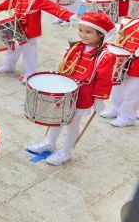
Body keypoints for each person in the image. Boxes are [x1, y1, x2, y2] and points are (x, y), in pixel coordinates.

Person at [26, 12, 114, 165]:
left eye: (88, 32)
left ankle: (66, 152)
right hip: (65, 91)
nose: (83, 35)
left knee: (72, 123)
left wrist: (99, 99)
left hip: (83, 95)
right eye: (80, 30)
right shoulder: (76, 46)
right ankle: (50, 142)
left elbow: (104, 80)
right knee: (57, 118)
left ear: (100, 34)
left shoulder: (105, 55)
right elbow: (65, 66)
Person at [0, 0, 76, 82]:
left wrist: (69, 15)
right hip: (16, 28)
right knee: (12, 48)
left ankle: (29, 72)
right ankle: (9, 65)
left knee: (29, 53)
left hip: (30, 31)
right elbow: (6, 4)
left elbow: (53, 8)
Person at [101, 18, 139, 127]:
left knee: (133, 91)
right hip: (124, 58)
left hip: (138, 65)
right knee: (118, 86)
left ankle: (127, 116)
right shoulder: (134, 20)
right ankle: (116, 108)